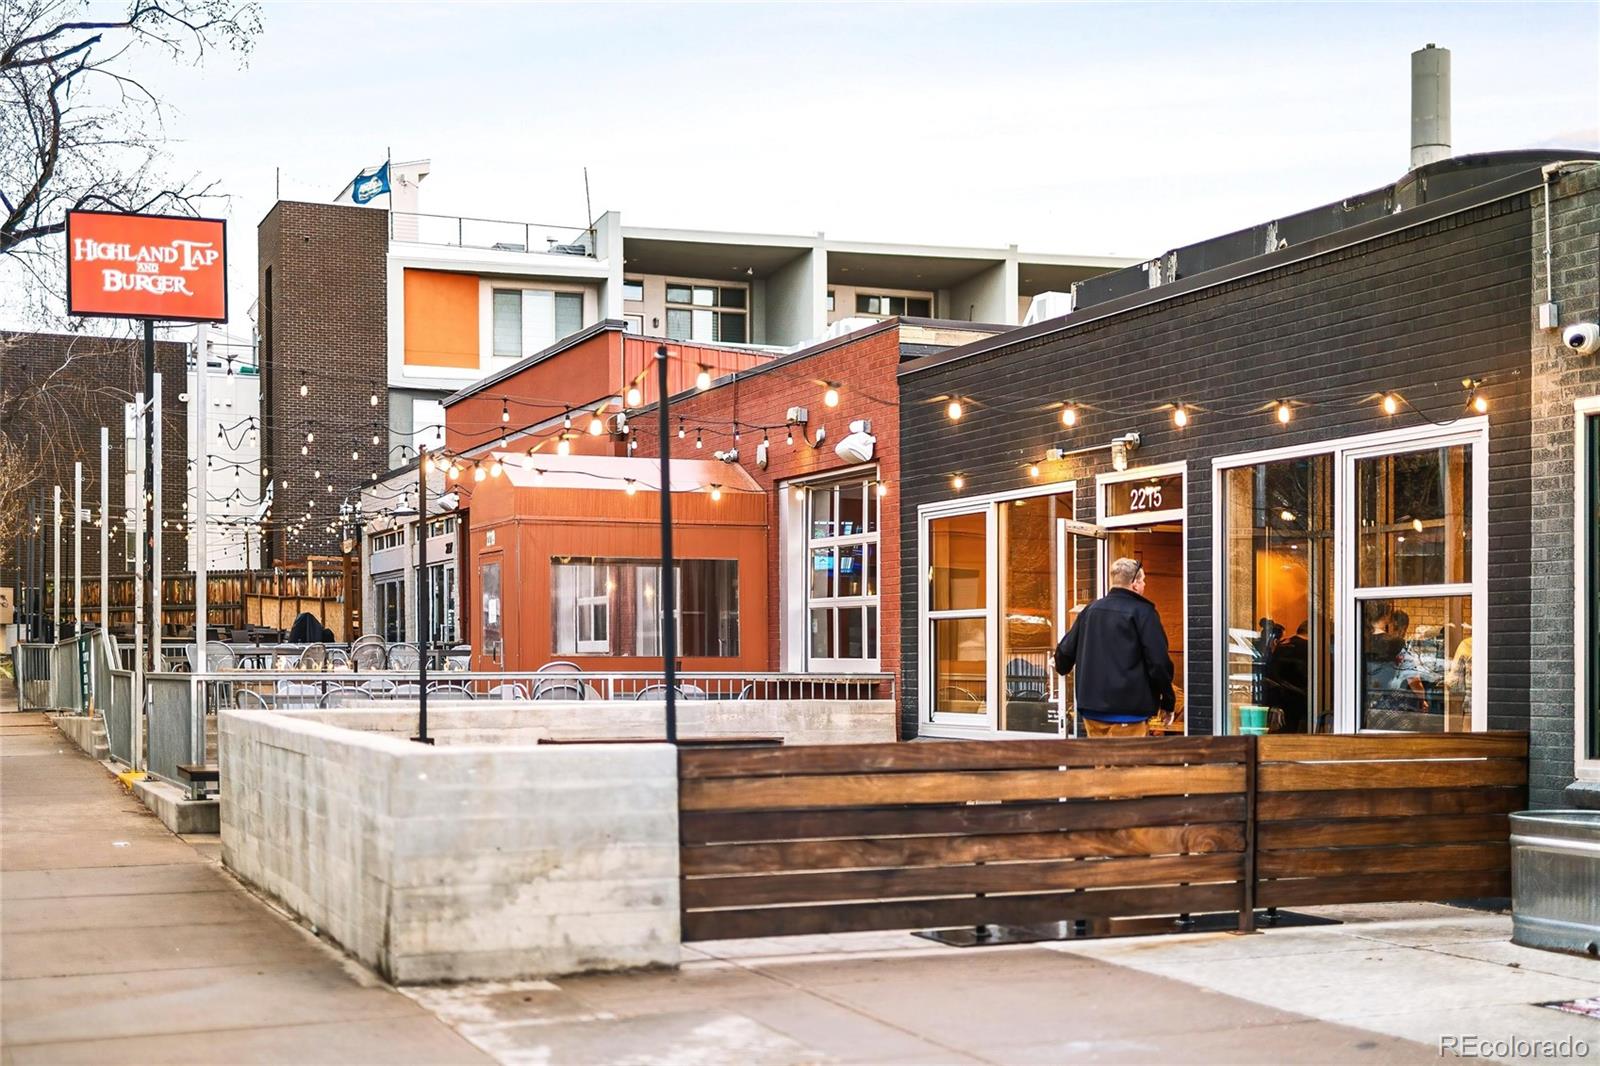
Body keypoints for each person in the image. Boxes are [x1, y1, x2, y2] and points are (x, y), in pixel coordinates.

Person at [1053, 557, 1175, 737]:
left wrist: (1061, 667)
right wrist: (1168, 701)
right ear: (1134, 583)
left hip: (1092, 710)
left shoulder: (1090, 610)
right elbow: (1158, 662)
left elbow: (1064, 652)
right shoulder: (1144, 613)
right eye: (1142, 580)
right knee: (1126, 765)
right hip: (1129, 710)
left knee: (1101, 764)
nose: (1144, 584)